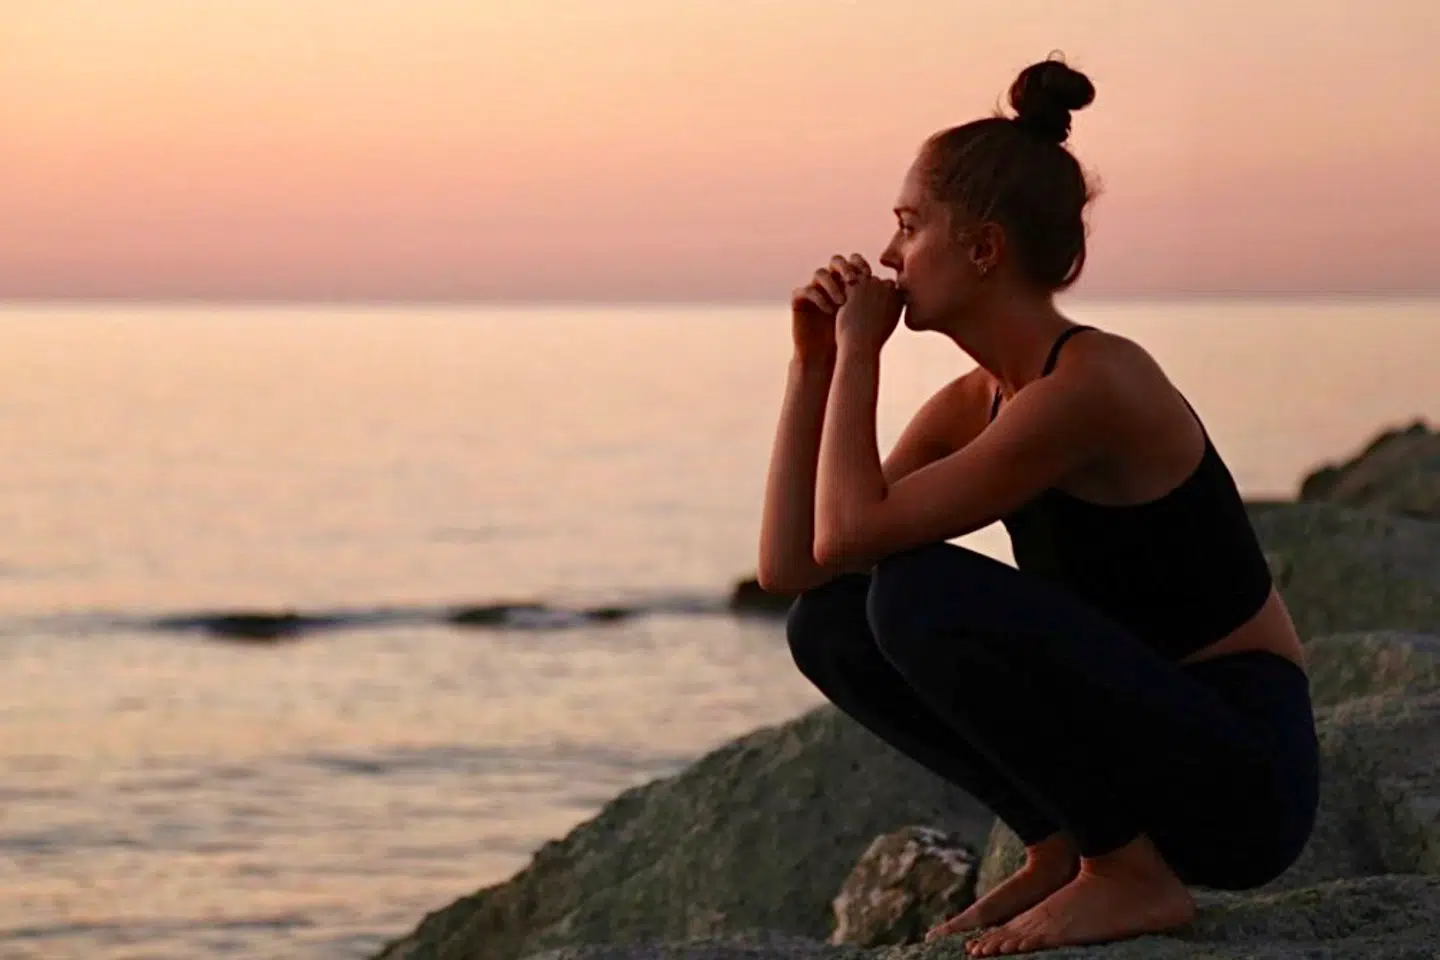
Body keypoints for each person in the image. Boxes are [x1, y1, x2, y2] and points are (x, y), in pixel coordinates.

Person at [756, 55, 1319, 957]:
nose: (891, 256)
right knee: (827, 622)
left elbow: (853, 529)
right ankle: (1064, 846)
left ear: (983, 248)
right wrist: (814, 363)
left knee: (915, 593)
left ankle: (1128, 874)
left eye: (908, 226)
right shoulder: (977, 399)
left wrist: (861, 355)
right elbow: (798, 568)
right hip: (1143, 744)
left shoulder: (1093, 385)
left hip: (1241, 779)